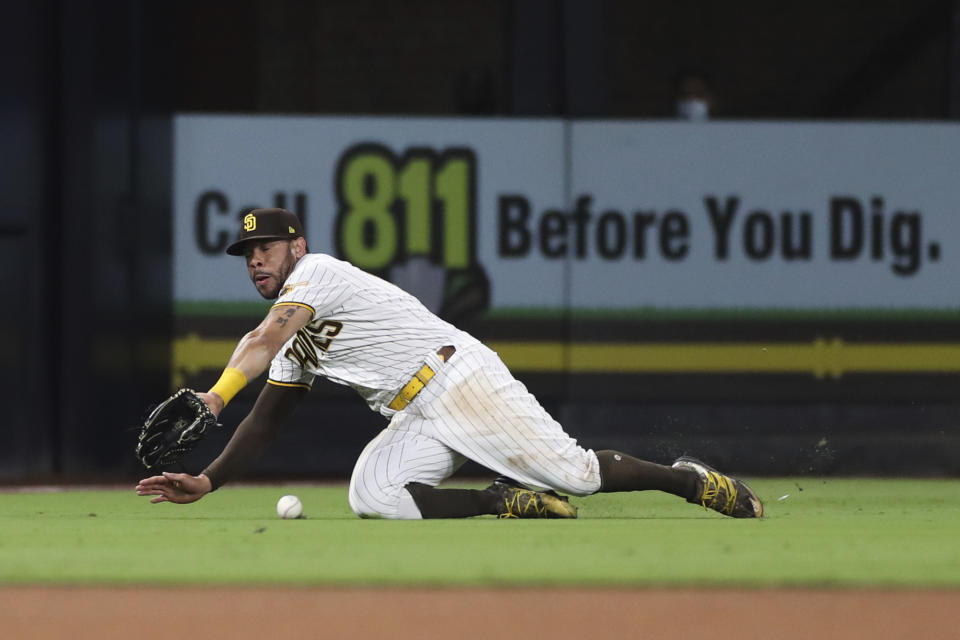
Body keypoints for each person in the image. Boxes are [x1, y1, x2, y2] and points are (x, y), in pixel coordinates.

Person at [136, 208, 763, 519]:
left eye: (264, 248)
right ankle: (505, 502)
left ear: (295, 246)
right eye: (247, 254)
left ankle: (686, 479)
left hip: (458, 379)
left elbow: (261, 337)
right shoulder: (296, 331)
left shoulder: (317, 273)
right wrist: (209, 481)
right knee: (371, 495)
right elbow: (267, 423)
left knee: (578, 476)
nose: (255, 261)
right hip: (415, 415)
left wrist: (216, 395)